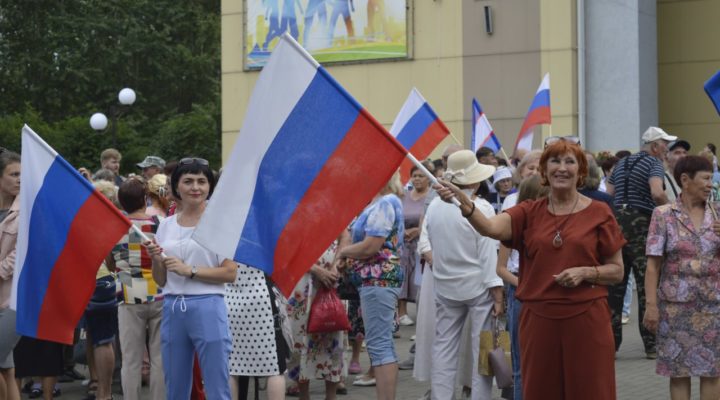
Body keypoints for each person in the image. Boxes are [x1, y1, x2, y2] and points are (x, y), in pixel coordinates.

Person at [437, 138, 625, 400]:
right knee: (540, 390)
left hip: (587, 319)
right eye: (554, 161)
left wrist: (586, 272)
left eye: (569, 162)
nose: (561, 168)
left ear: (580, 171)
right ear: (544, 171)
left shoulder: (599, 212)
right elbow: (490, 228)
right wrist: (464, 203)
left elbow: (617, 270)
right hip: (539, 319)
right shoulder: (527, 212)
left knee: (591, 390)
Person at [145, 157, 237, 400]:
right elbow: (161, 281)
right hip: (172, 307)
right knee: (174, 385)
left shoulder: (220, 222)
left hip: (208, 305)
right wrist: (156, 259)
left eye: (201, 181)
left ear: (209, 186)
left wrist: (190, 270)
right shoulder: (165, 225)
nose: (195, 187)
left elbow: (230, 272)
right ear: (176, 187)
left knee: (217, 384)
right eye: (188, 181)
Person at [425, 149, 503, 400]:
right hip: (478, 285)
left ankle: (441, 396)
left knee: (444, 347)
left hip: (446, 284)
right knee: (483, 348)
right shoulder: (480, 208)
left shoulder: (435, 207)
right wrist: (496, 289)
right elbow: (487, 251)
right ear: (474, 180)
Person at [643, 155, 720, 400]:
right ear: (685, 180)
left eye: (712, 178)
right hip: (674, 308)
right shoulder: (663, 214)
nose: (711, 184)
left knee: (713, 371)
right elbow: (653, 265)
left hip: (713, 305)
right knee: (678, 371)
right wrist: (651, 305)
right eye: (706, 178)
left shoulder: (718, 214)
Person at [336, 172, 405, 400]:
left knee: (379, 345)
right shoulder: (383, 201)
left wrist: (344, 252)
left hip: (378, 280)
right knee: (381, 344)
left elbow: (371, 246)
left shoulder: (385, 202)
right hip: (377, 281)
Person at [606, 126, 673, 358]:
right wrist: (673, 210)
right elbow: (656, 192)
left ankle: (610, 345)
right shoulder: (654, 163)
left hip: (616, 223)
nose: (667, 148)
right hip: (641, 223)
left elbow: (609, 192)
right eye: (665, 144)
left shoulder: (621, 163)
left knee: (615, 284)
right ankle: (652, 344)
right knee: (648, 283)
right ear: (655, 146)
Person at [111, 178, 165, 400]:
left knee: (131, 360)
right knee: (160, 358)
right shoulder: (159, 222)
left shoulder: (115, 225)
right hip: (159, 290)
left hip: (128, 292)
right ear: (145, 199)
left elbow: (110, 263)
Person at [496, 174, 548, 400]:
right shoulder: (514, 225)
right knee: (520, 363)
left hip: (547, 293)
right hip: (521, 292)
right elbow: (501, 268)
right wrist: (525, 284)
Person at [286, 237, 347, 400]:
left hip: (331, 280)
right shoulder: (293, 211)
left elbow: (345, 235)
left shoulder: (335, 210)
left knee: (332, 334)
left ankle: (331, 395)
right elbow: (287, 245)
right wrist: (316, 269)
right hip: (302, 280)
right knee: (300, 337)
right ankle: (303, 395)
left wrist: (337, 262)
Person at [398, 163, 433, 326]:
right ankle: (401, 313)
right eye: (415, 176)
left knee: (419, 280)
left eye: (421, 176)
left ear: (429, 179)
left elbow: (431, 220)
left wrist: (418, 231)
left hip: (421, 244)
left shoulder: (431, 197)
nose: (417, 179)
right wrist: (402, 231)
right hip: (403, 243)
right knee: (402, 276)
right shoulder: (403, 195)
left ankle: (422, 316)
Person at [0, 149, 21, 400]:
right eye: (13, 174)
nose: (19, 179)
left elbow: (21, 254)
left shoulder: (26, 209)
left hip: (14, 300)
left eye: (22, 175)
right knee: (7, 370)